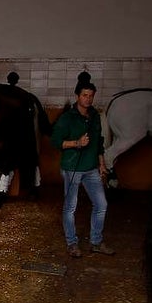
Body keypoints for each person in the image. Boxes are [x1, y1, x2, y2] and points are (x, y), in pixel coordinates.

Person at [51, 76, 114, 258]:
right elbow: (55, 142)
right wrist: (76, 143)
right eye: (84, 95)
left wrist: (102, 164)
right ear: (77, 96)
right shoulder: (67, 118)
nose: (88, 99)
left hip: (91, 168)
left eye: (91, 96)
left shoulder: (94, 116)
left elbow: (99, 142)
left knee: (101, 204)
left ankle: (96, 241)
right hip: (72, 168)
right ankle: (72, 243)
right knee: (70, 207)